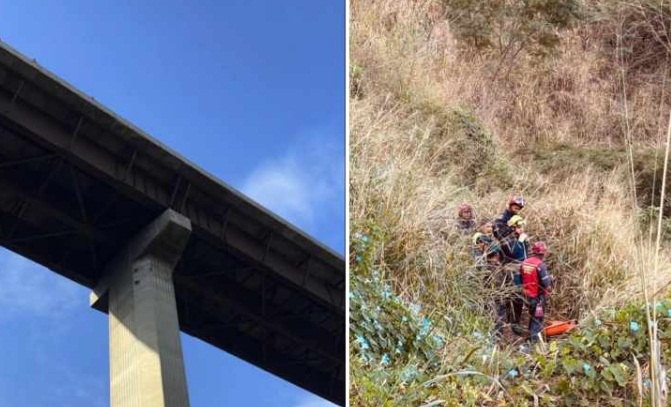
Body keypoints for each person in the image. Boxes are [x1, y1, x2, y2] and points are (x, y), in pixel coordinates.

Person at [499, 214, 529, 331]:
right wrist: (520, 241)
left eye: (522, 226)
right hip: (513, 273)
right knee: (514, 296)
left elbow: (525, 254)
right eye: (519, 227)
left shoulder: (521, 239)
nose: (522, 229)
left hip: (522, 272)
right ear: (513, 228)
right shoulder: (509, 240)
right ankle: (512, 322)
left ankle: (516, 320)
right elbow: (513, 252)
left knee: (520, 297)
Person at [519, 241, 553, 343]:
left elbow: (521, 278)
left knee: (532, 316)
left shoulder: (524, 262)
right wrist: (551, 280)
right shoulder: (540, 265)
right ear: (542, 253)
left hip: (526, 295)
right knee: (537, 320)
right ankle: (532, 344)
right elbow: (547, 284)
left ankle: (529, 337)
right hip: (538, 298)